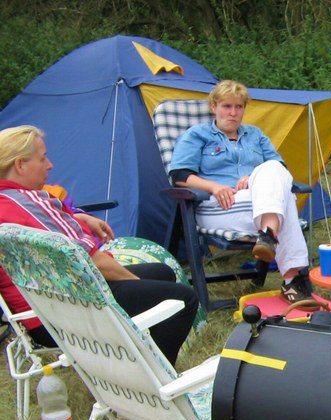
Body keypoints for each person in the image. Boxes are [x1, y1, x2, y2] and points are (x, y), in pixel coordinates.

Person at [0, 125, 198, 366]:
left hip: (36, 311)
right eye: (43, 158)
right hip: (69, 310)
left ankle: (132, 355)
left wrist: (79, 218)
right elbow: (91, 261)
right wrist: (140, 287)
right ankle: (151, 379)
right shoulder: (28, 203)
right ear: (20, 165)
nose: (50, 165)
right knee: (182, 299)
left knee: (162, 273)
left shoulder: (6, 203)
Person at [169, 79, 313, 304]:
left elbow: (280, 169)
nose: (233, 113)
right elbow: (179, 176)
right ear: (213, 107)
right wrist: (214, 187)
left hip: (257, 203)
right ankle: (292, 279)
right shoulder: (197, 135)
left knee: (272, 168)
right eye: (227, 106)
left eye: (239, 107)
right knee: (286, 205)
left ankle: (268, 234)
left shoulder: (255, 135)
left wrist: (255, 177)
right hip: (218, 205)